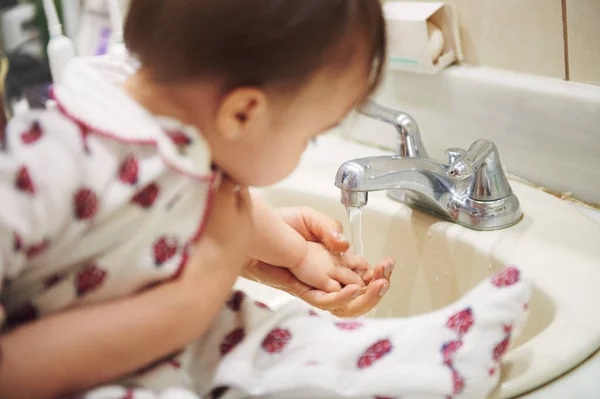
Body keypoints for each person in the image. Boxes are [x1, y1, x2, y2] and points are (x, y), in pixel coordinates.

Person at [0, 1, 531, 398]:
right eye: (310, 135)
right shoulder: (47, 161)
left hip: (171, 345)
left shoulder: (167, 124)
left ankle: (432, 353)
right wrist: (192, 300)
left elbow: (204, 195)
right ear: (242, 114)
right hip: (76, 376)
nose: (306, 149)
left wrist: (295, 255)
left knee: (279, 336)